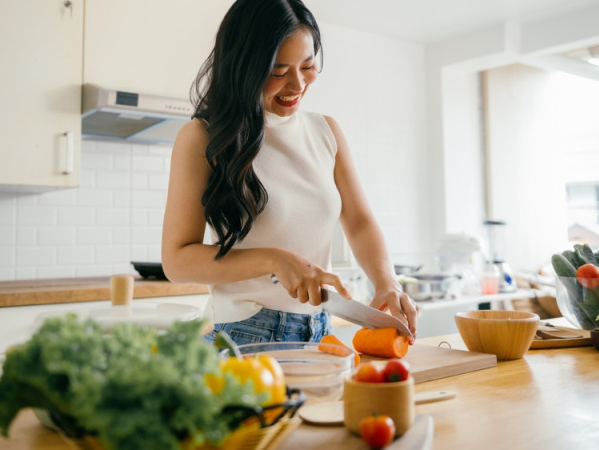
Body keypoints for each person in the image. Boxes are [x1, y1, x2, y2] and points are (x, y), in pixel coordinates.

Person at [161, 0, 418, 345]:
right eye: (278, 72)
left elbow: (359, 221)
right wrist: (273, 260)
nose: (297, 84)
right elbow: (177, 260)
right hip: (245, 334)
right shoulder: (203, 137)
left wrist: (387, 282)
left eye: (308, 66)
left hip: (321, 331)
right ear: (244, 68)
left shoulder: (326, 131)